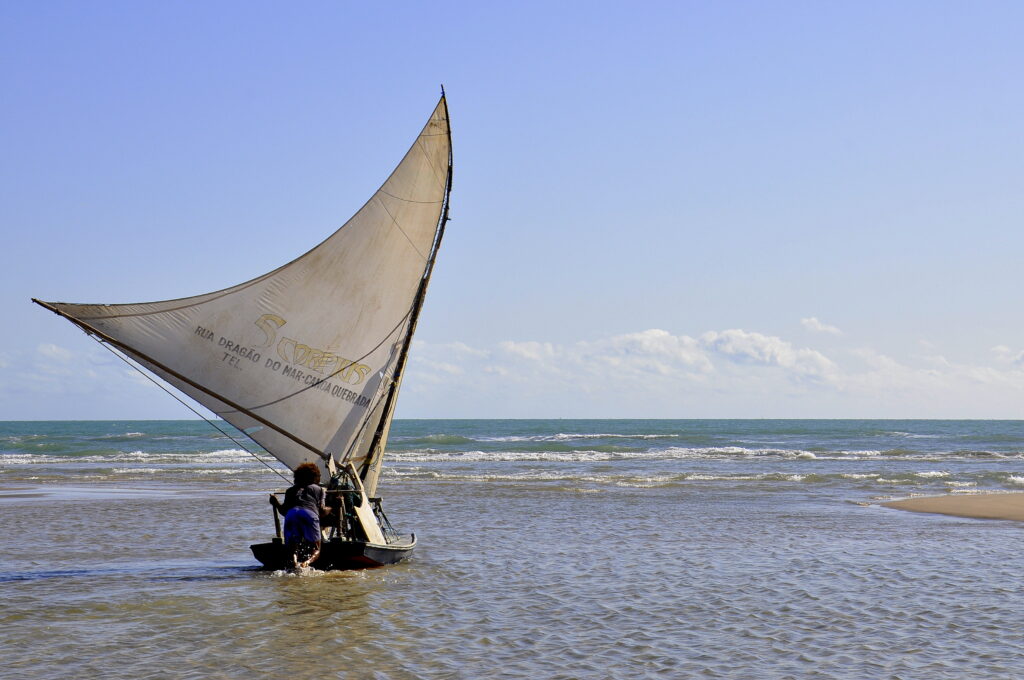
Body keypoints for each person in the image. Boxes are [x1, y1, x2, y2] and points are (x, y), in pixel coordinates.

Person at [270, 462, 330, 568]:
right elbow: (322, 512)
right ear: (314, 477)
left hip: (291, 514)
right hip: (309, 514)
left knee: (293, 548)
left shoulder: (290, 490)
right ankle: (307, 562)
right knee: (316, 549)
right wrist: (333, 507)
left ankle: (294, 561)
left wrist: (275, 502)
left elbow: (283, 511)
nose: (319, 479)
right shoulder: (319, 489)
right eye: (319, 476)